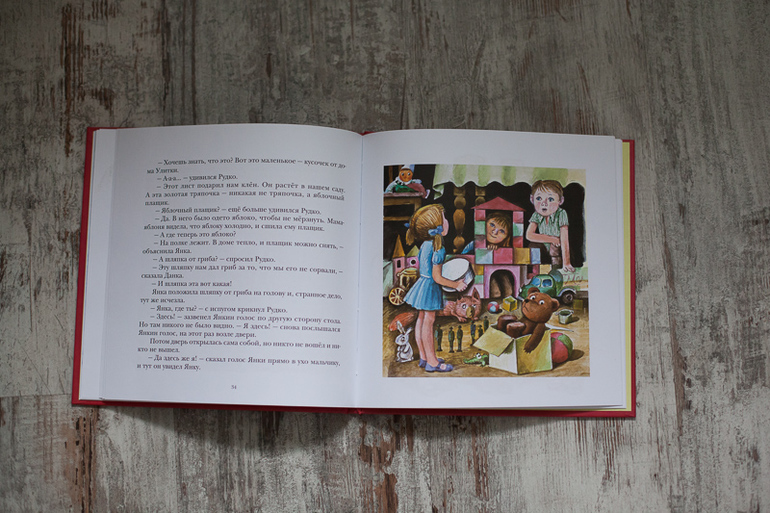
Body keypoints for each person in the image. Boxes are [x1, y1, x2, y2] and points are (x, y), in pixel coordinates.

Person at [403, 204, 467, 372]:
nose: (447, 221)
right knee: (428, 323)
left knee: (421, 319)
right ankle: (433, 362)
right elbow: (437, 278)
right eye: (444, 218)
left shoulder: (425, 244)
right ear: (436, 225)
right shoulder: (438, 248)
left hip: (422, 285)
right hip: (430, 288)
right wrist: (456, 284)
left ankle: (424, 358)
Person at [525, 180, 574, 271]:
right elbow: (529, 235)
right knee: (533, 246)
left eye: (550, 199)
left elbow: (564, 239)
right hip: (545, 248)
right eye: (539, 198)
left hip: (558, 248)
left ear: (560, 201)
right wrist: (552, 239)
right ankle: (534, 271)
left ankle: (557, 269)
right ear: (532, 199)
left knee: (554, 248)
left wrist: (566, 263)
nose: (544, 203)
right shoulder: (536, 215)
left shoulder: (561, 213)